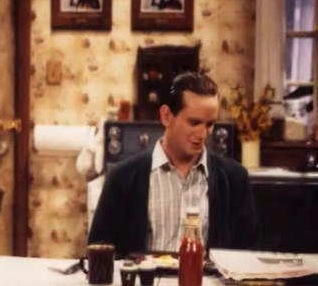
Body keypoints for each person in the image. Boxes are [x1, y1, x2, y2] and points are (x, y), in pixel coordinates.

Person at [88, 71, 258, 257]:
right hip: (143, 276)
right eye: (194, 122)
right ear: (167, 116)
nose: (203, 134)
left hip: (206, 276)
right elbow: (98, 251)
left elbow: (245, 256)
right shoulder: (122, 177)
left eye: (209, 124)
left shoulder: (234, 179)